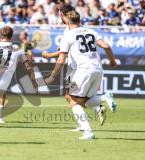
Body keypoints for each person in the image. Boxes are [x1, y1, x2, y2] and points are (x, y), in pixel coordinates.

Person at [45, 10, 117, 140]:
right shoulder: (91, 31)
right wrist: (112, 61)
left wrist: (52, 76)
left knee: (73, 102)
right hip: (97, 70)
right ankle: (102, 99)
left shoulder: (68, 35)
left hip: (83, 71)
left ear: (67, 20)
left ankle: (88, 131)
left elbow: (61, 59)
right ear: (79, 20)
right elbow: (106, 46)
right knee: (85, 101)